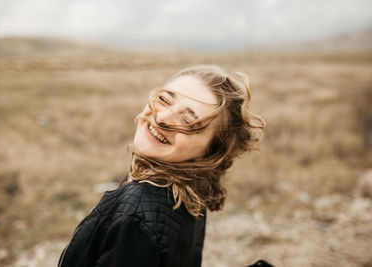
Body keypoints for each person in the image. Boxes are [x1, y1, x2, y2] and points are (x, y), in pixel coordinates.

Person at [58, 65, 265, 267]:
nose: (162, 117)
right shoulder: (192, 192)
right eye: (164, 100)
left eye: (187, 121)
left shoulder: (136, 214)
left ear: (209, 152)